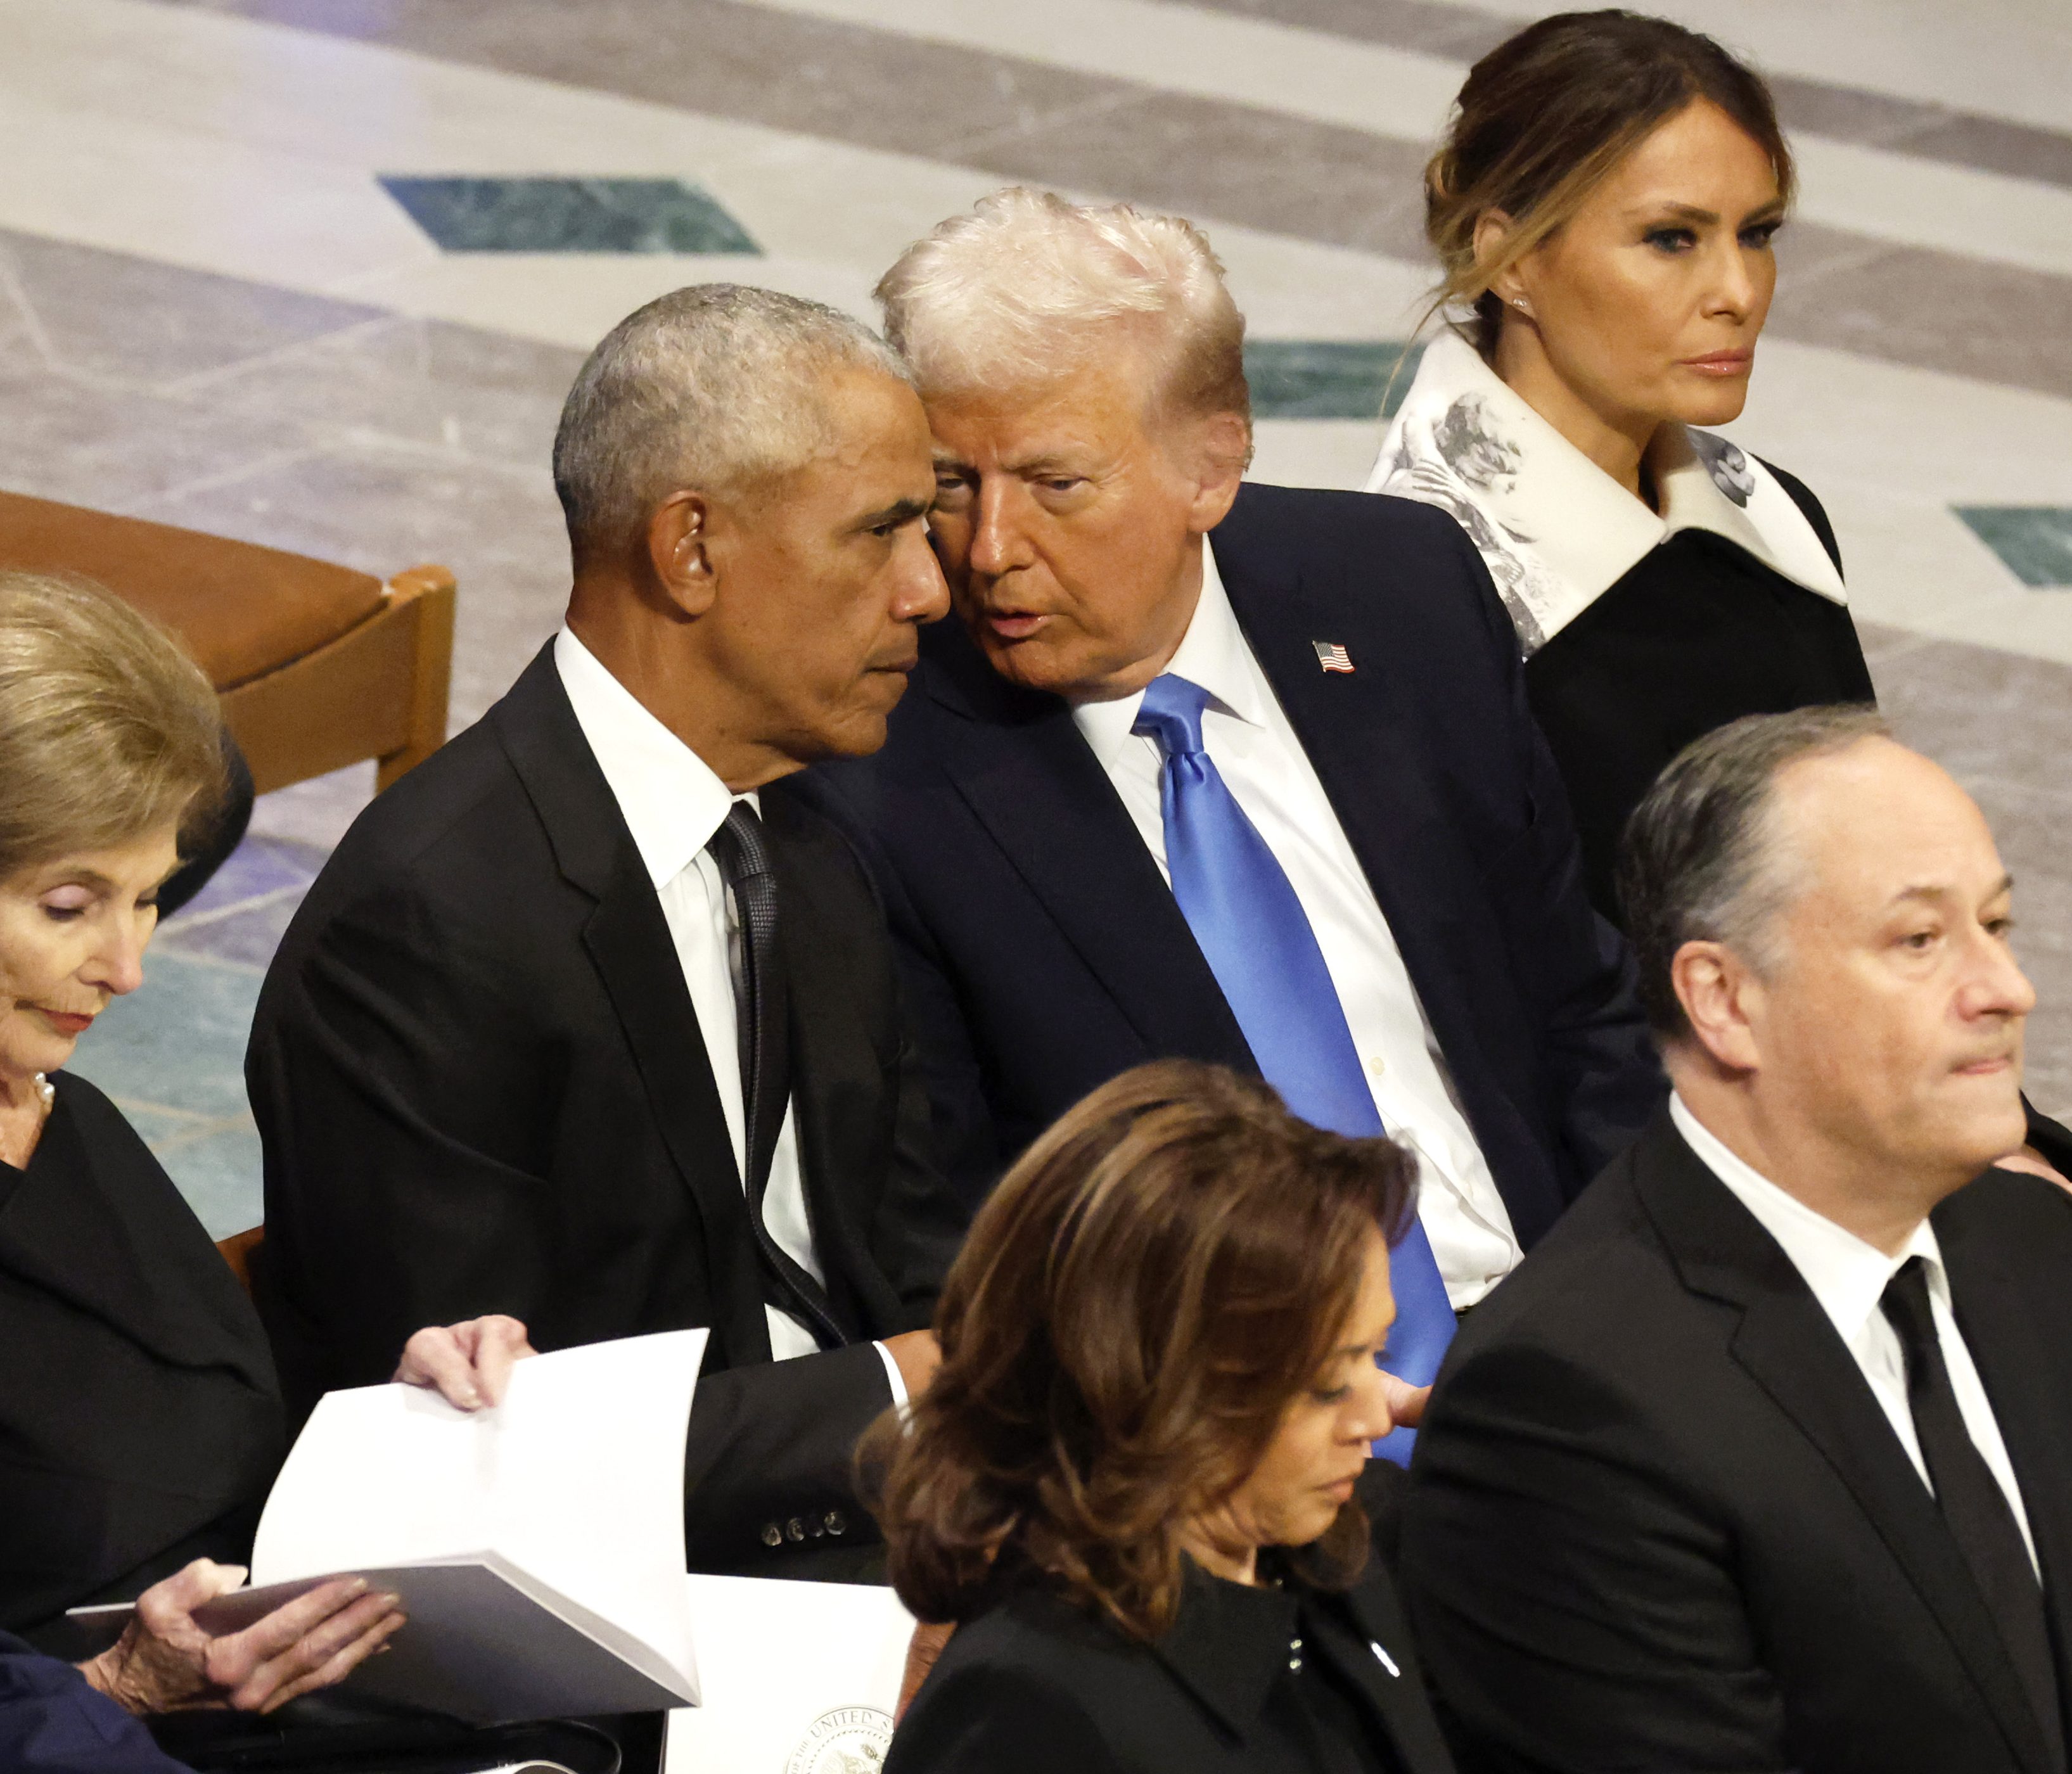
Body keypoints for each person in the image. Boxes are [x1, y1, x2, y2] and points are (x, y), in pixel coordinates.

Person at [817, 189, 1663, 1443]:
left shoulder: (1401, 592)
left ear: (1211, 464)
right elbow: (958, 1243)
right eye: (953, 483)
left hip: (1569, 1335)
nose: (990, 548)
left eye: (1056, 483)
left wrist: (1648, 1313)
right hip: (1232, 1430)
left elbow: (1581, 1010)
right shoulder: (881, 775)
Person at [250, 284, 966, 1580]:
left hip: (900, 1522)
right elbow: (467, 1448)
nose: (929, 587)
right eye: (882, 531)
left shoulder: (803, 838)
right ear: (689, 548)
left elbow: (900, 1247)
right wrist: (903, 1402)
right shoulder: (425, 926)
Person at [1402, 707, 2072, 1774]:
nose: (2007, 990)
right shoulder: (1564, 1405)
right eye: (1919, 940)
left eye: (1997, 926)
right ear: (1724, 999)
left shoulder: (2039, 1246)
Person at [1367, 11, 1874, 924]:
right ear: (1506, 258)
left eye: (1755, 234)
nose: (1737, 294)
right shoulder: (1418, 596)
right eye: (1671, 239)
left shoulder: (1775, 524)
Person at [873, 1060, 1457, 1774]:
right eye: (1329, 1382)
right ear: (1154, 1383)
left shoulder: (1336, 1554)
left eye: (1376, 1352)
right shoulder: (1025, 1711)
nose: (1375, 1416)